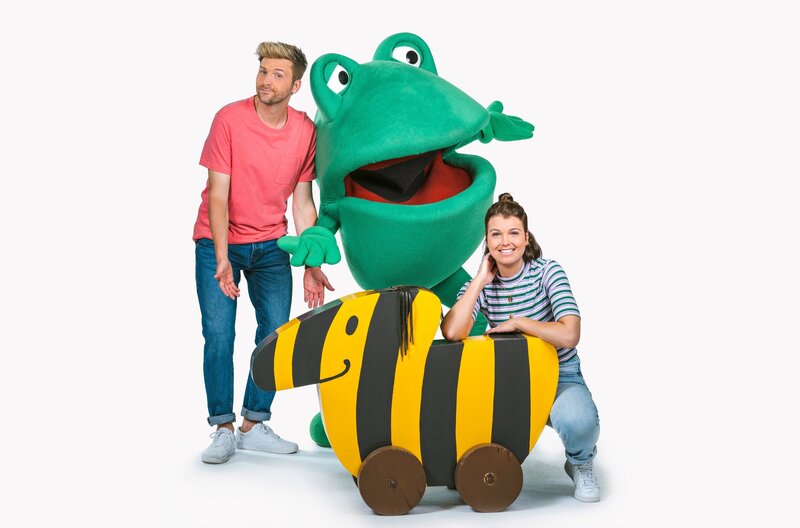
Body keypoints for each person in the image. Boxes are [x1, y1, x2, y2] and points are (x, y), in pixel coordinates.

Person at [193, 41, 334, 464]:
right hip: (217, 242)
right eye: (262, 71)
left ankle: (253, 424)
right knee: (219, 335)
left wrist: (310, 262)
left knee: (274, 333)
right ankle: (222, 427)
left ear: (295, 85)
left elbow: (303, 202)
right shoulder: (229, 120)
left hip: (272, 244)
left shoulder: (305, 131)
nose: (266, 80)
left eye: (277, 74)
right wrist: (222, 257)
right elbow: (218, 195)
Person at [441, 193, 601, 502]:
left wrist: (520, 323)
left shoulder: (548, 272)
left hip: (559, 374)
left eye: (513, 233)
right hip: (509, 378)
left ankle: (580, 463)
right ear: (487, 241)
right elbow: (452, 332)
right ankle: (466, 466)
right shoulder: (483, 284)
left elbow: (570, 334)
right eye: (496, 234)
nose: (505, 242)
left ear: (526, 238)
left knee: (579, 423)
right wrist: (479, 280)